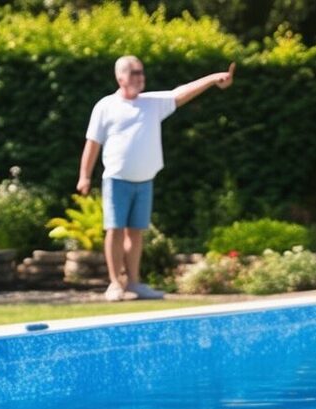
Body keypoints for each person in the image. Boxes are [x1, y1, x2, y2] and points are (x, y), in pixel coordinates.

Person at [78, 55, 236, 301]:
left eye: (142, 72)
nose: (140, 77)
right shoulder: (105, 106)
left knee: (136, 232)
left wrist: (214, 78)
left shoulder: (152, 103)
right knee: (115, 230)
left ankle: (133, 283)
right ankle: (114, 284)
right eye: (134, 73)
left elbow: (182, 92)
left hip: (145, 180)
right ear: (120, 77)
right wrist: (84, 176)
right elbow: (92, 144)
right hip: (117, 179)